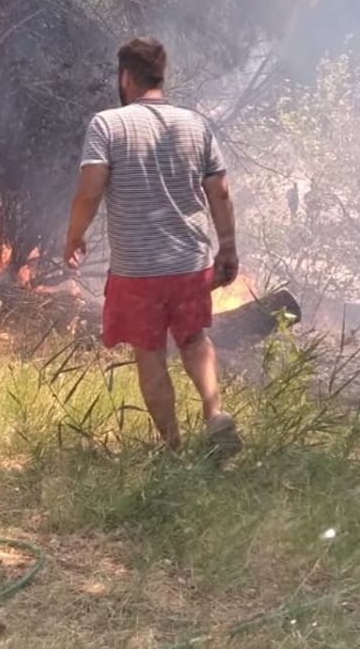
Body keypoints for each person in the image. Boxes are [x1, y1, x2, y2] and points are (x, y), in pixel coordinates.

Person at [63, 36, 242, 457]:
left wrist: (74, 236)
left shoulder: (108, 124)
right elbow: (220, 192)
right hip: (189, 263)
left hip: (136, 271)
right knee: (195, 339)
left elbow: (90, 191)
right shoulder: (195, 124)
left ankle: (174, 450)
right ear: (161, 75)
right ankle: (215, 412)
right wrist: (228, 247)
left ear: (125, 77)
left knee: (149, 354)